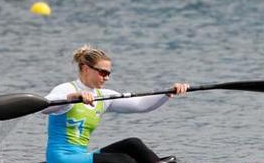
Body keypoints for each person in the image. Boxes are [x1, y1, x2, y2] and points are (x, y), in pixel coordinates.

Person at [42, 45, 189, 163]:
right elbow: (46, 107)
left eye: (109, 74)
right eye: (103, 73)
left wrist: (167, 93)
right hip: (61, 159)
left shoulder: (103, 96)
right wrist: (72, 97)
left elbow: (141, 105)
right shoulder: (66, 89)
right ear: (86, 69)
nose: (106, 78)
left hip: (82, 156)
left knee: (133, 144)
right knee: (123, 160)